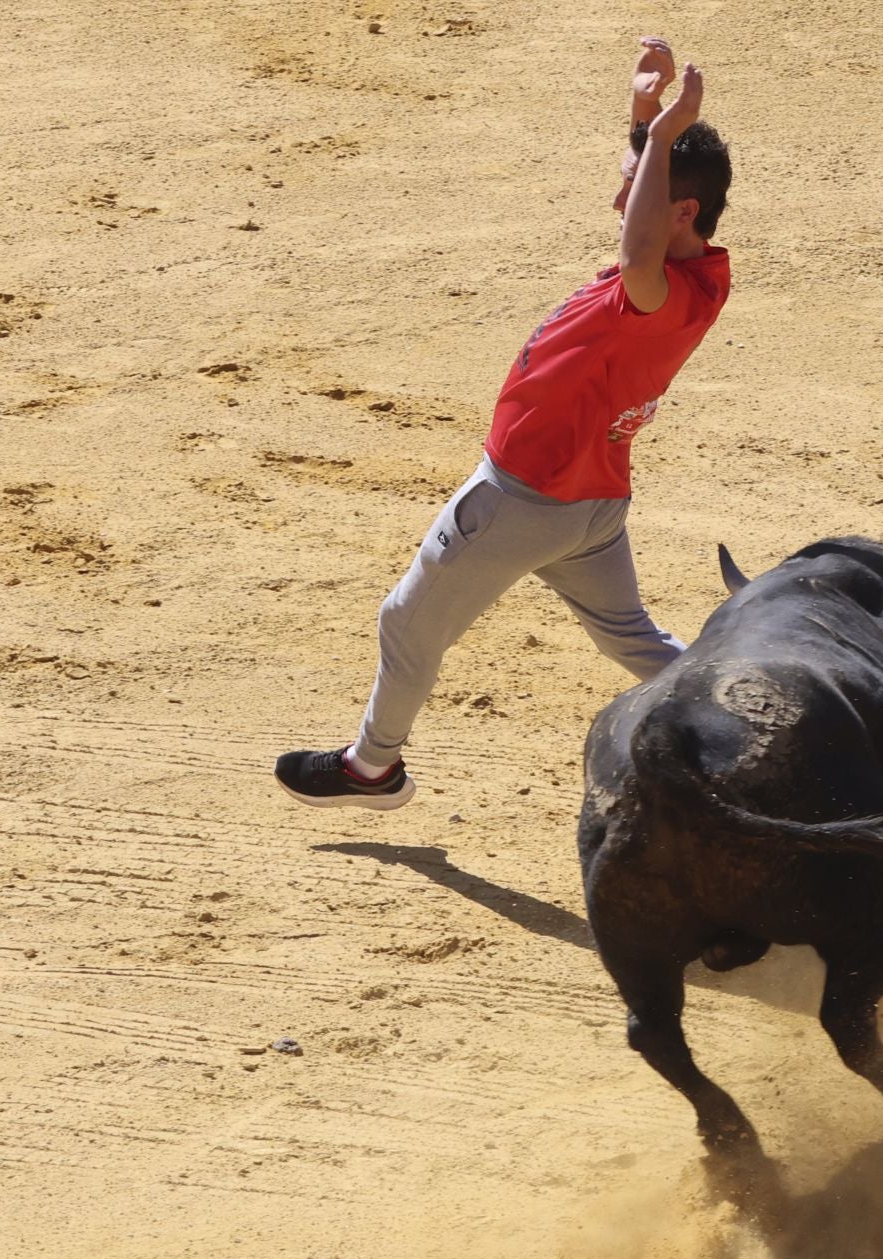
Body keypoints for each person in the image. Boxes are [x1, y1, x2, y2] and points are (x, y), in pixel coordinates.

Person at [275, 38, 732, 809]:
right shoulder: (702, 277)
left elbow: (639, 242)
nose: (620, 199)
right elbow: (651, 220)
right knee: (638, 644)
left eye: (638, 185)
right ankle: (754, 721)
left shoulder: (653, 289)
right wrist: (644, 120)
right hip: (592, 506)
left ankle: (372, 767)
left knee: (406, 622)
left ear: (679, 210)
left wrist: (657, 138)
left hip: (525, 500)